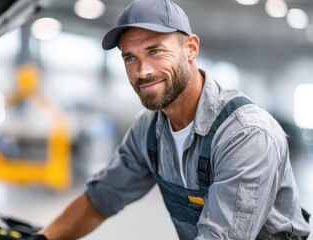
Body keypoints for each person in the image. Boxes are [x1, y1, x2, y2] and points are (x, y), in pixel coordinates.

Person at [28, 0, 311, 239]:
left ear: (191, 48)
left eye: (155, 51)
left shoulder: (245, 134)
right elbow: (100, 199)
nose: (142, 71)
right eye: (129, 58)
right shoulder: (149, 130)